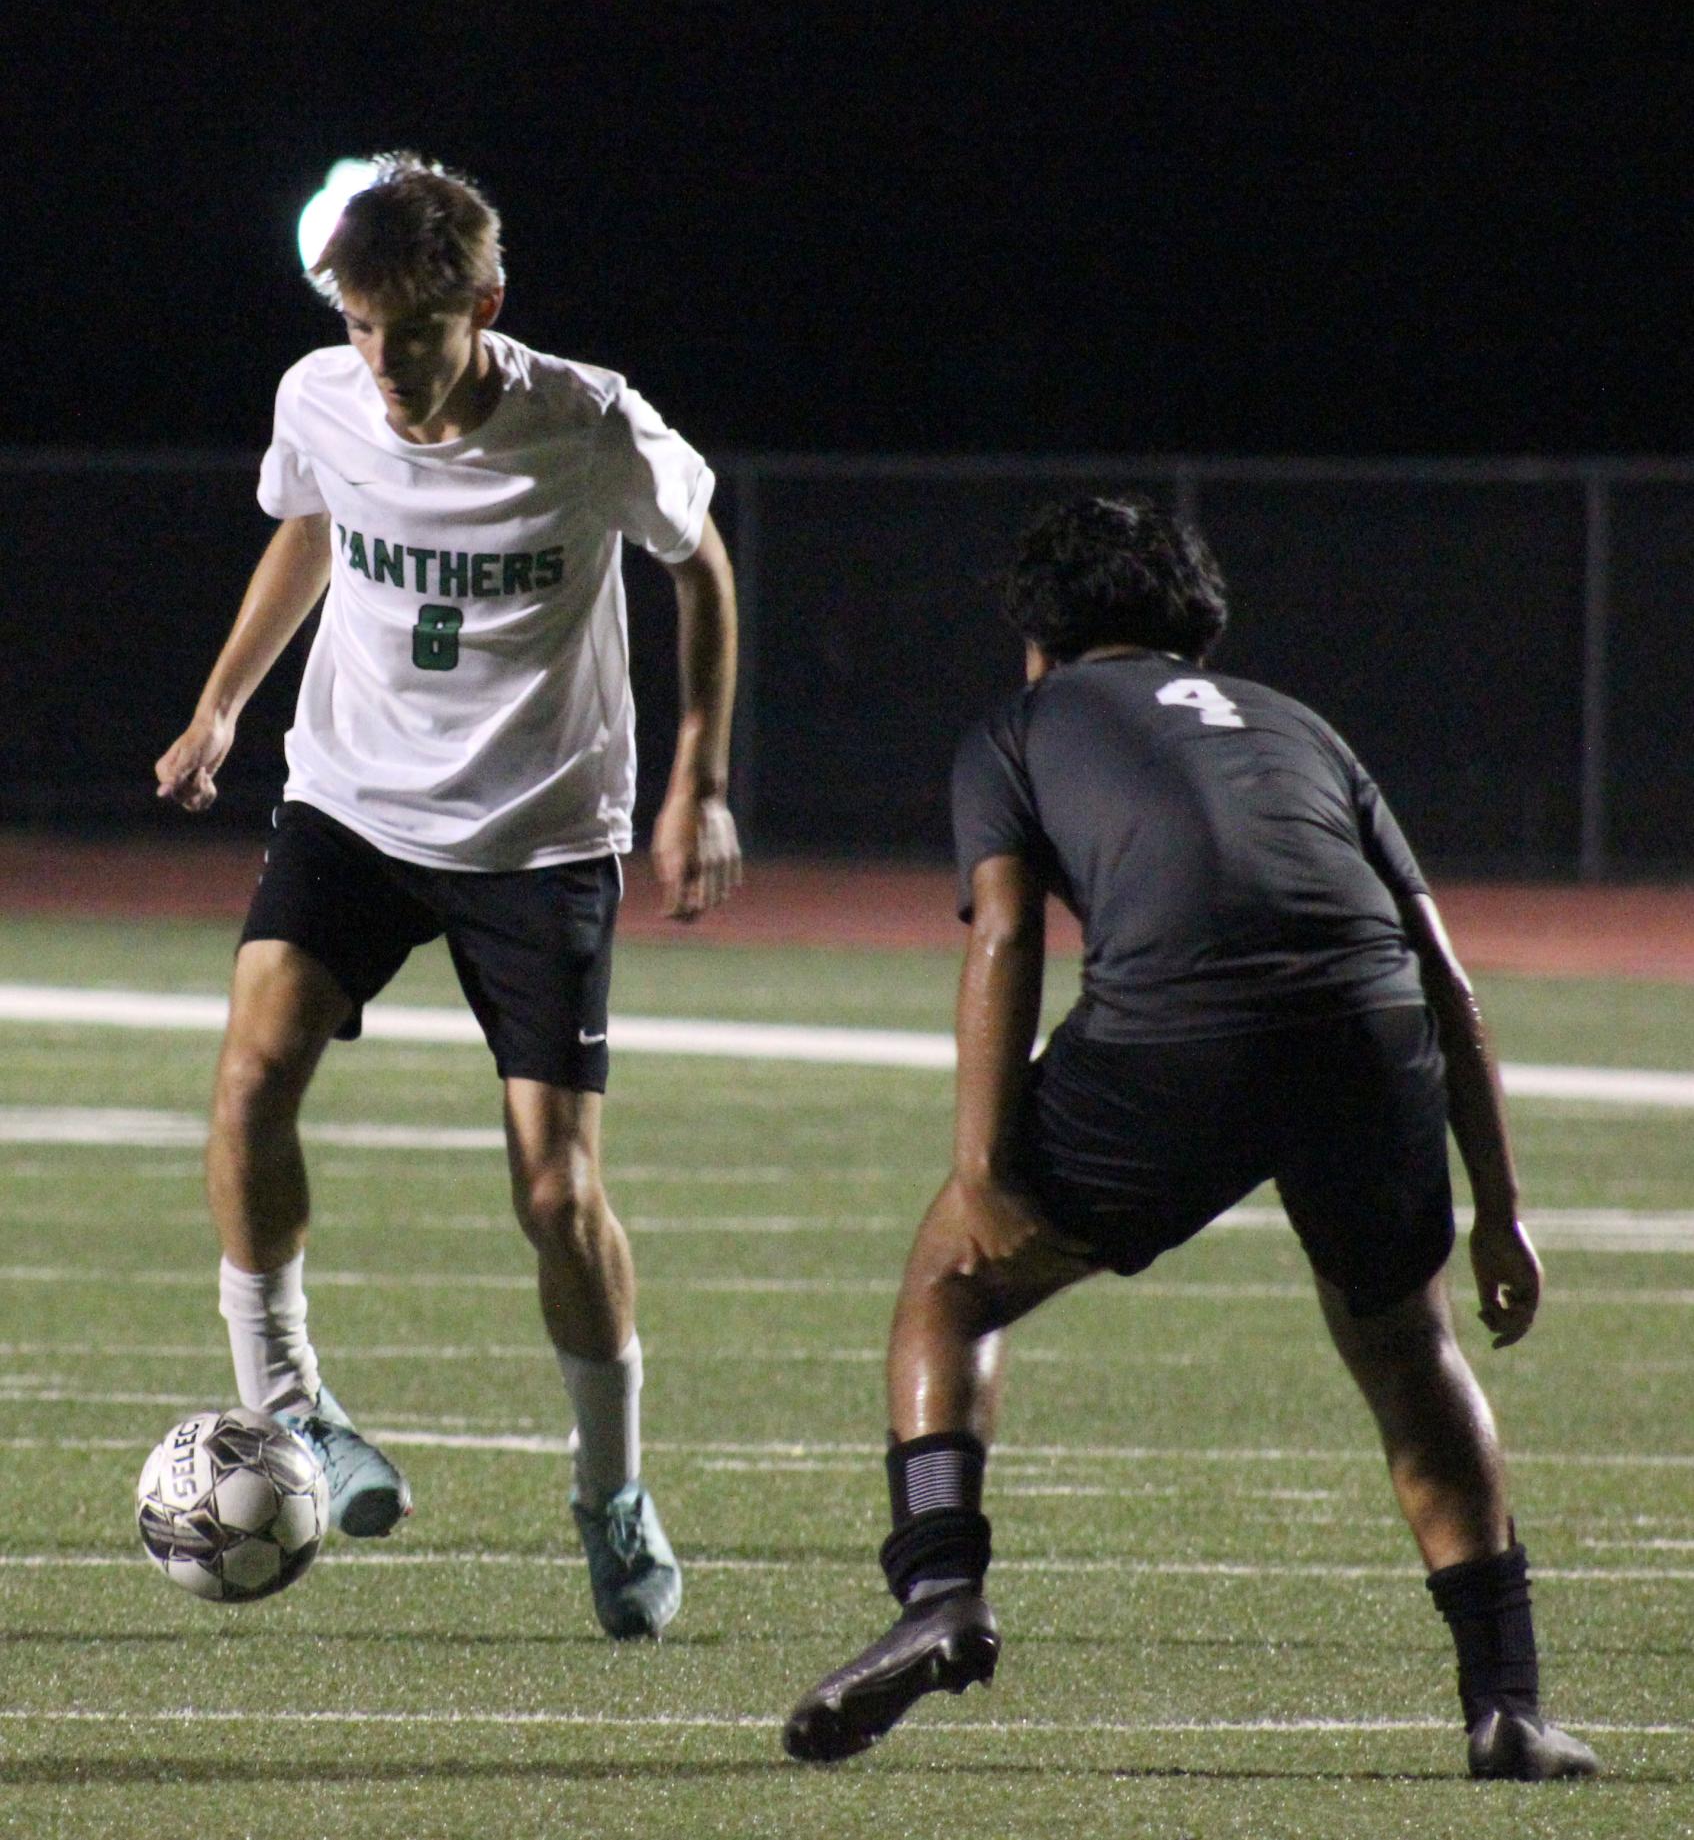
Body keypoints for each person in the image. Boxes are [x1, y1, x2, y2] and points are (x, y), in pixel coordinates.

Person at [783, 494, 1597, 1780]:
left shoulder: (1018, 724)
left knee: (948, 1288)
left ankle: (939, 1591)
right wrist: (1498, 1208)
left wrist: (983, 1168)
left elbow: (1004, 936)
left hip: (1177, 1036)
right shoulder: (1300, 727)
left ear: (1037, 642)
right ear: (1195, 633)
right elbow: (1446, 975)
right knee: (1405, 1343)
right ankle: (1505, 1705)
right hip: (1367, 1032)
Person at [155, 153, 739, 1641]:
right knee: (246, 1082)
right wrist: (227, 701)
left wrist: (699, 778)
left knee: (555, 1188)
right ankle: (295, 1411)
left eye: (410, 334)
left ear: (481, 305)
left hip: (539, 837)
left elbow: (703, 567)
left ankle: (610, 1495)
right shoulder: (322, 395)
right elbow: (311, 525)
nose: (385, 366)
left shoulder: (588, 420)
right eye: (359, 329)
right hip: (353, 801)